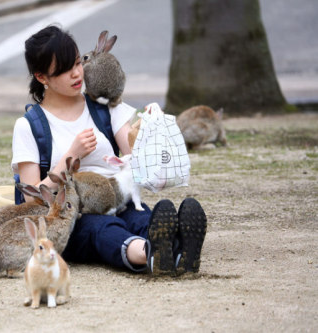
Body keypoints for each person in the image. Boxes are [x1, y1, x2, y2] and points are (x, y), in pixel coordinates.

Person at [12, 25, 207, 275]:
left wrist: (148, 130)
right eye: (64, 70)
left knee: (142, 219)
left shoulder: (103, 105)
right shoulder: (30, 126)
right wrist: (71, 156)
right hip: (73, 215)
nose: (76, 74)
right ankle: (152, 254)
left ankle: (180, 253)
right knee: (103, 230)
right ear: (42, 77)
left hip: (118, 199)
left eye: (76, 63)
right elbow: (31, 198)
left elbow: (133, 155)